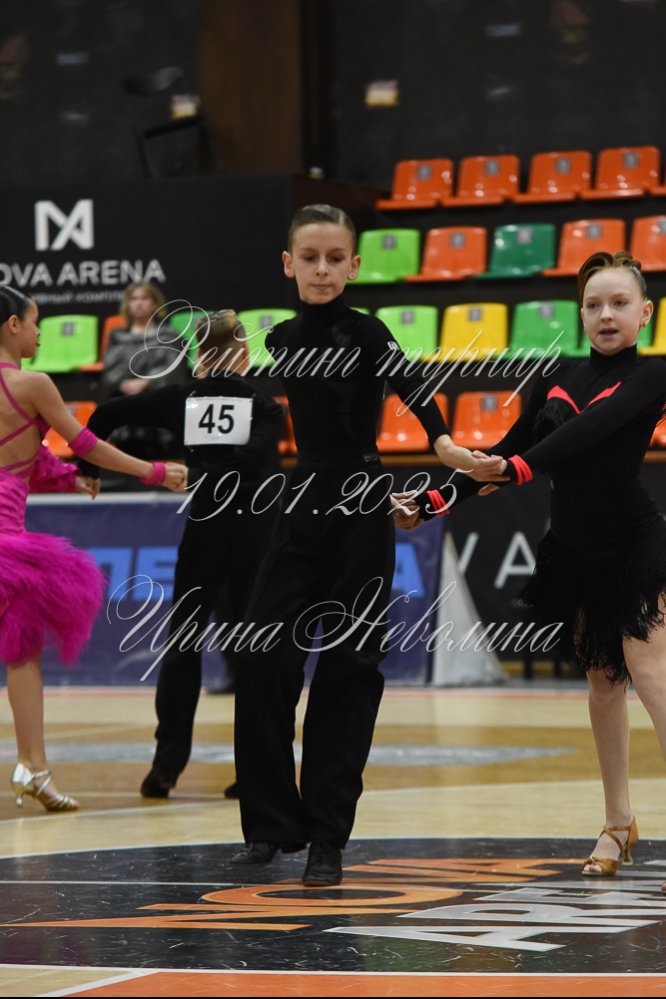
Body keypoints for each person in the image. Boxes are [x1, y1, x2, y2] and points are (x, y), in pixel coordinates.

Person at [232, 204, 496, 887]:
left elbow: (413, 384)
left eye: (334, 258)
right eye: (309, 257)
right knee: (259, 657)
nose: (322, 269)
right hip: (301, 499)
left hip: (360, 501)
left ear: (353, 265)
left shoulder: (368, 331)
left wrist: (443, 443)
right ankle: (270, 824)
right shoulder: (281, 337)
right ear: (288, 264)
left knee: (349, 668)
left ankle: (327, 836)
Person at [398, 250, 666, 879]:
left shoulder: (652, 374)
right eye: (594, 304)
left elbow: (592, 429)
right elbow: (504, 450)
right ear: (580, 313)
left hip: (634, 542)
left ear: (646, 313)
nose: (606, 314)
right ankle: (617, 822)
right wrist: (434, 501)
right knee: (602, 685)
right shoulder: (558, 377)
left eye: (620, 303)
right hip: (574, 549)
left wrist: (519, 467)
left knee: (650, 672)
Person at [79, 310, 283, 800]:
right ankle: (255, 770)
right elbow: (249, 460)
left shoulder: (180, 397)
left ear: (197, 355)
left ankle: (166, 765)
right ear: (244, 353)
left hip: (204, 530)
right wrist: (208, 474)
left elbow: (104, 415)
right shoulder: (265, 406)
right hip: (256, 534)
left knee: (183, 643)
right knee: (255, 649)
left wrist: (88, 468)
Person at [0, 286, 185, 812]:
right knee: (23, 654)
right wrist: (153, 471)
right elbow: (84, 444)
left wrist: (67, 480)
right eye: (35, 322)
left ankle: (34, 767)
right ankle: (33, 766)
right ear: (12, 325)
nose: (39, 333)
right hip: (6, 541)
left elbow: (27, 462)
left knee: (23, 650)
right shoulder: (32, 384)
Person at [100, 281, 189, 468]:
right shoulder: (117, 337)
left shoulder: (169, 335)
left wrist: (147, 382)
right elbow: (110, 372)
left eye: (144, 298)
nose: (139, 303)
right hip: (126, 412)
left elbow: (174, 370)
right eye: (134, 299)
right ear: (128, 305)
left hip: (159, 413)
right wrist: (122, 383)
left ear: (155, 303)